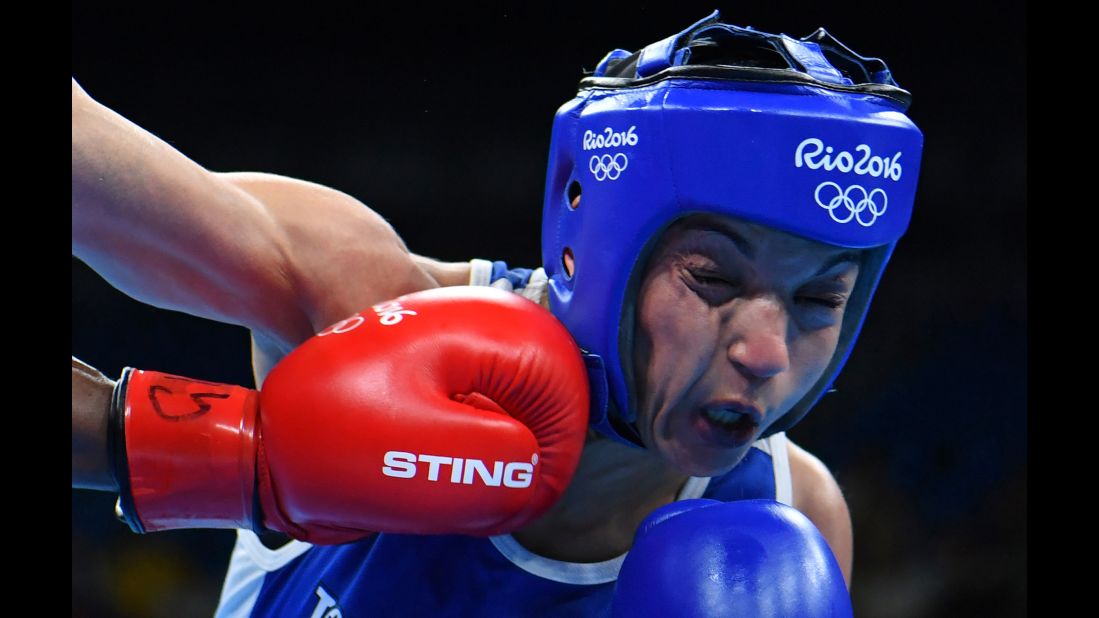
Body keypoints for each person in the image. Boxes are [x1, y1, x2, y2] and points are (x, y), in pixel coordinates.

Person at [72, 11, 922, 615]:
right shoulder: (366, 297)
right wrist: (219, 452)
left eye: (819, 300)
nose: (768, 352)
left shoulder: (789, 515)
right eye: (710, 279)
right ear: (600, 246)